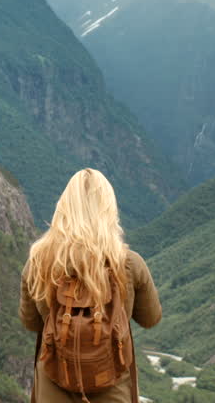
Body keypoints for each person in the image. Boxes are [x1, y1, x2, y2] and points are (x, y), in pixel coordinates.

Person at [19, 168, 162, 403]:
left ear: (63, 208)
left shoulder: (38, 262)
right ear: (108, 211)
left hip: (53, 385)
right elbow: (150, 318)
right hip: (114, 388)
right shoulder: (129, 264)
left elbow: (31, 322)